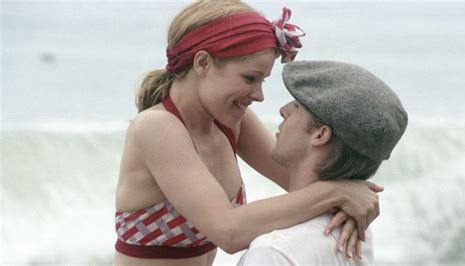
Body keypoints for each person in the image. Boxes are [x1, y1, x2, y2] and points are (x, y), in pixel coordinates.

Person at [113, 1, 383, 265]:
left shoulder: (230, 122)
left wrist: (352, 196)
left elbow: (302, 182)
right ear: (203, 63)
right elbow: (228, 231)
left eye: (262, 81)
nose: (259, 95)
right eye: (249, 78)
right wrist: (338, 193)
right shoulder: (156, 128)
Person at [237, 60, 408, 265]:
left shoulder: (274, 252)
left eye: (298, 106)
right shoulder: (357, 231)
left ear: (320, 134)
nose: (284, 110)